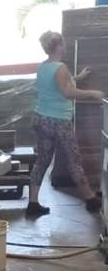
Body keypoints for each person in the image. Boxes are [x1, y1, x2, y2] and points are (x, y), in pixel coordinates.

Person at [27, 30, 104, 218]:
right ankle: (90, 199)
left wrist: (78, 77)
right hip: (58, 121)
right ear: (59, 46)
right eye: (63, 43)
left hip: (41, 118)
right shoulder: (60, 68)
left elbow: (60, 83)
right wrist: (93, 93)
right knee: (73, 159)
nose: (65, 45)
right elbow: (67, 92)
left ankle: (32, 203)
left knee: (42, 161)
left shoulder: (43, 66)